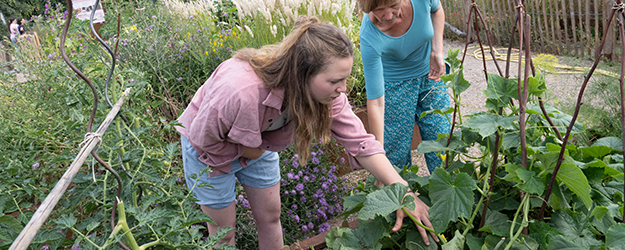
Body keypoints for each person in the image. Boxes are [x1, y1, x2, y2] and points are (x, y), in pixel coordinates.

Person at [176, 15, 438, 249]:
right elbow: (202, 138)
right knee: (222, 234)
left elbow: (361, 143)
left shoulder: (328, 96)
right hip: (211, 153)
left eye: (345, 78)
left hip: (260, 144)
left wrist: (404, 193)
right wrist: (249, 150)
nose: (343, 88)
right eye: (335, 81)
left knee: (270, 217)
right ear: (302, 74)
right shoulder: (241, 93)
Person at [359, 0, 450, 173]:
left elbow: (436, 10)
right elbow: (376, 102)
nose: (388, 15)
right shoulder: (369, 35)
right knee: (395, 152)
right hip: (395, 86)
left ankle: (446, 194)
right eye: (379, 10)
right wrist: (379, 157)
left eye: (393, 6)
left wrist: (436, 51)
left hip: (431, 75)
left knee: (442, 140)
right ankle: (402, 196)